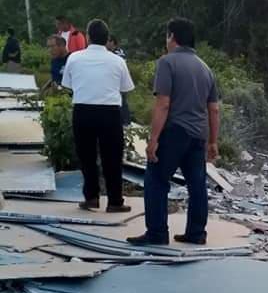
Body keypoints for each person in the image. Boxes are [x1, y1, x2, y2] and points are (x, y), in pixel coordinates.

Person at [128, 17, 219, 246]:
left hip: (175, 132)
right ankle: (196, 233)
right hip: (198, 134)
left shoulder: (167, 63)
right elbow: (214, 109)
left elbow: (163, 104)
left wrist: (153, 139)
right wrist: (213, 142)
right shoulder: (205, 68)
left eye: (167, 36)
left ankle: (157, 234)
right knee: (197, 185)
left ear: (172, 37)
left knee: (156, 180)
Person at [62, 18, 134, 212]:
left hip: (82, 110)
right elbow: (126, 87)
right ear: (107, 38)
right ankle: (114, 201)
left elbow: (67, 84)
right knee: (112, 158)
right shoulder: (118, 61)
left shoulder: (74, 58)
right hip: (109, 112)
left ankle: (91, 197)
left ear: (88, 37)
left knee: (86, 156)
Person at [108, 34, 132, 125]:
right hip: (114, 80)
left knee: (122, 101)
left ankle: (126, 122)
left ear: (113, 42)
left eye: (108, 41)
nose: (106, 43)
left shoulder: (118, 52)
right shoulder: (111, 53)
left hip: (120, 80)